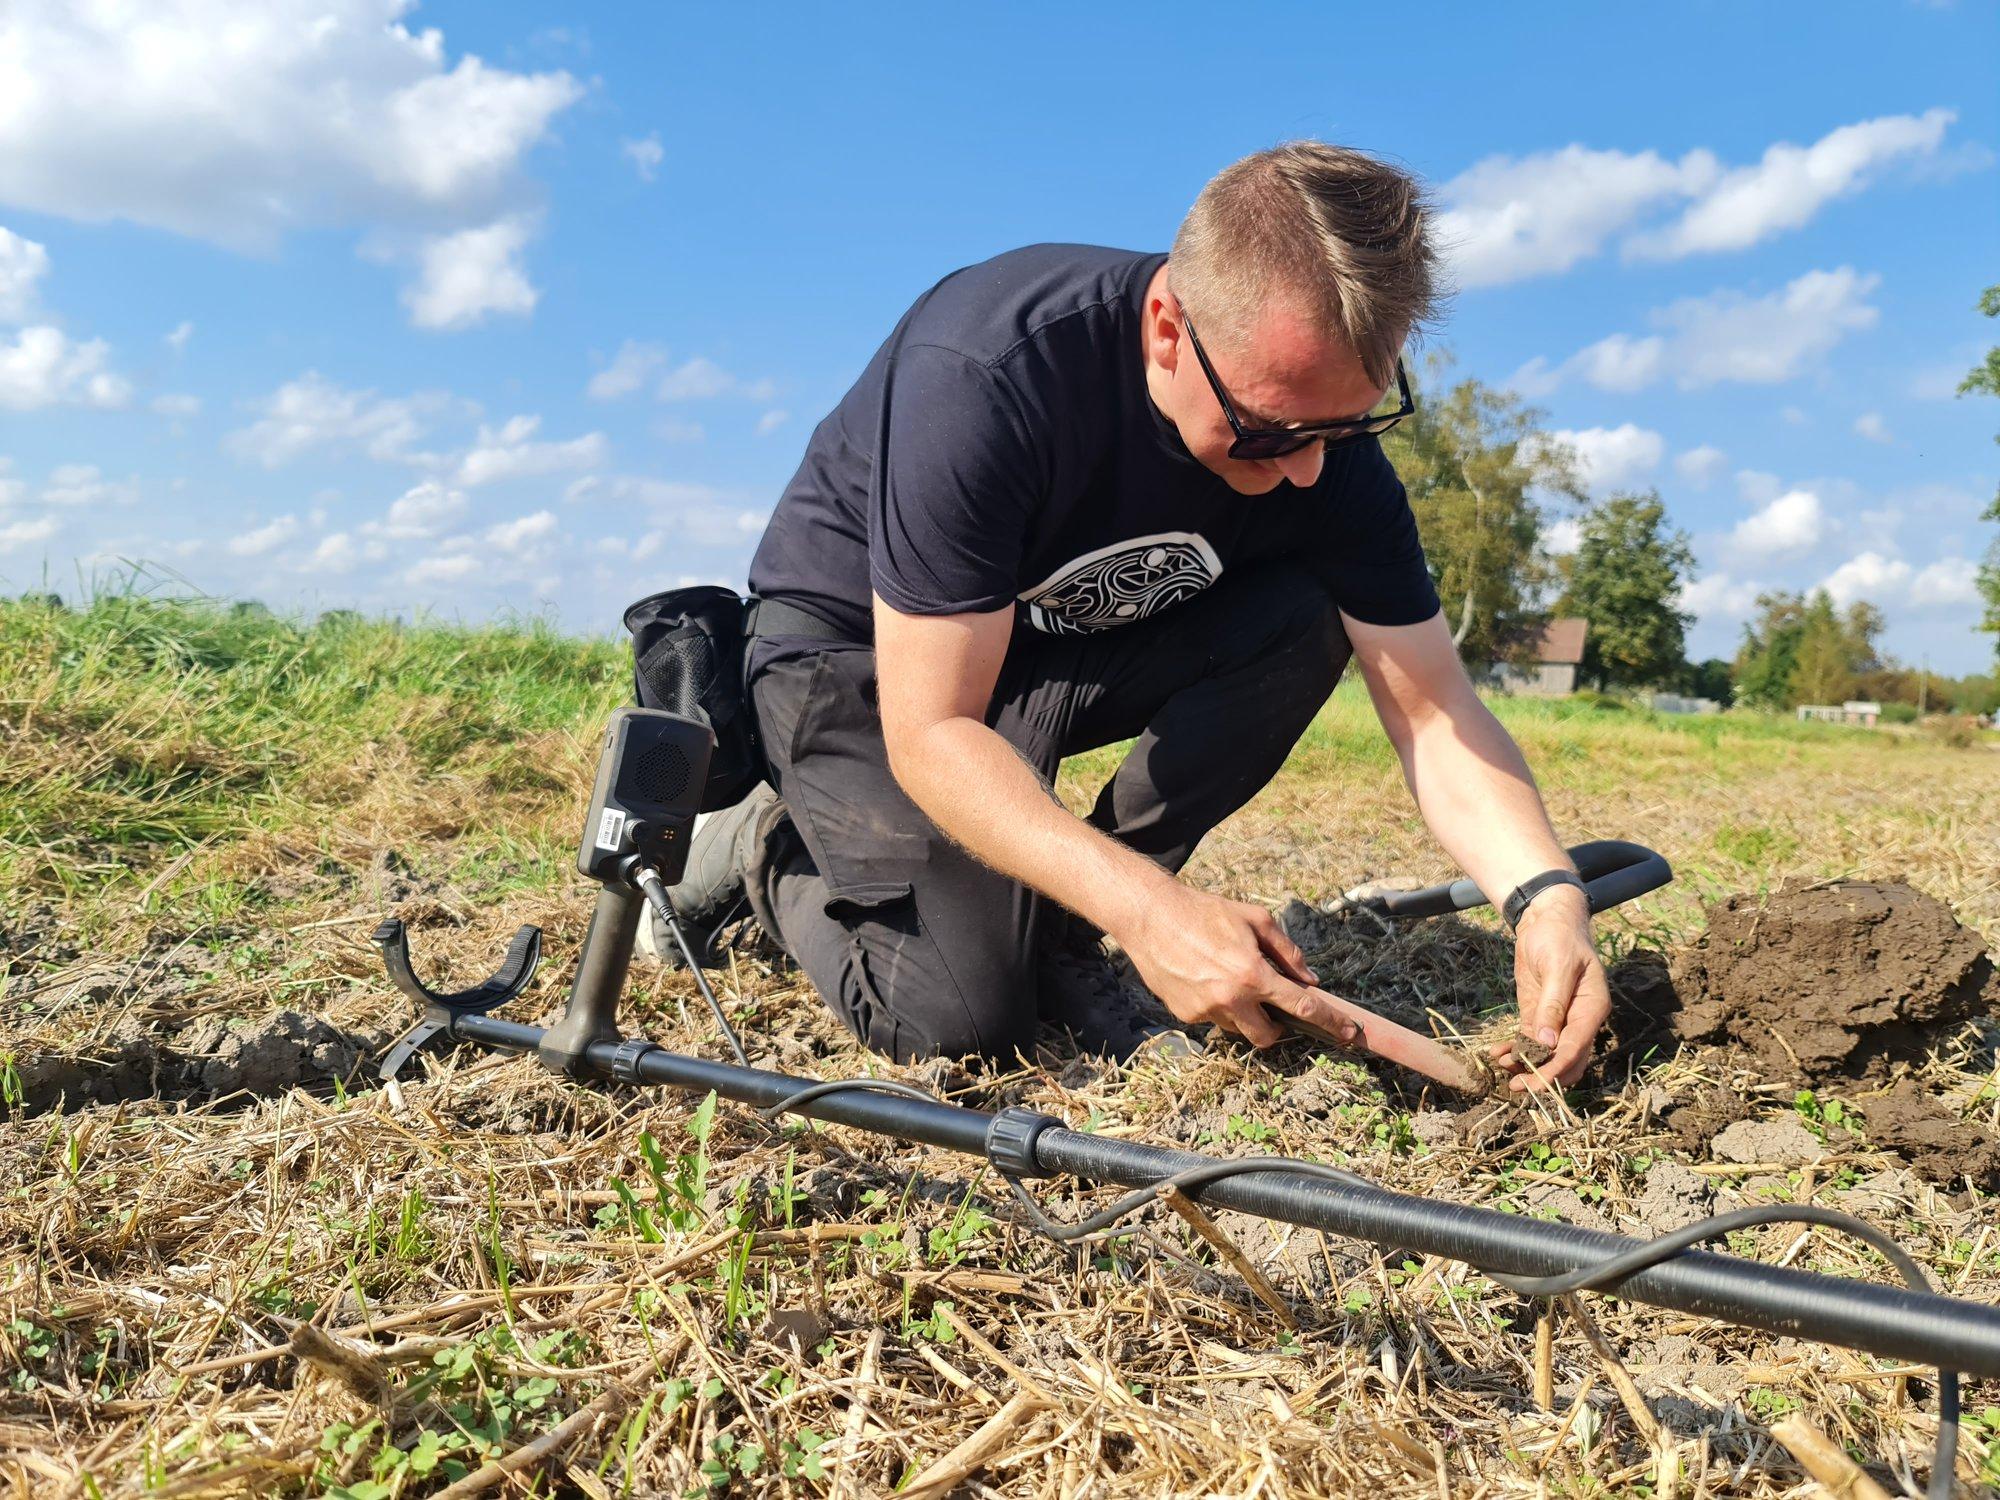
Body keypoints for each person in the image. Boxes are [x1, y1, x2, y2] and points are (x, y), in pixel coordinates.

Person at [640, 142, 1610, 1091]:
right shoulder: (986, 376)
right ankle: (768, 842)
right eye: (1272, 432)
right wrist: (1156, 909)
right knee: (960, 1019)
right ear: (1164, 328)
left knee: (1311, 612)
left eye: (1347, 427)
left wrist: (1543, 894)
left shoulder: (1316, 445)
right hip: (856, 652)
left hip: (1040, 641)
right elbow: (932, 728)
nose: (1310, 468)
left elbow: (1433, 708)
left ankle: (1069, 933)